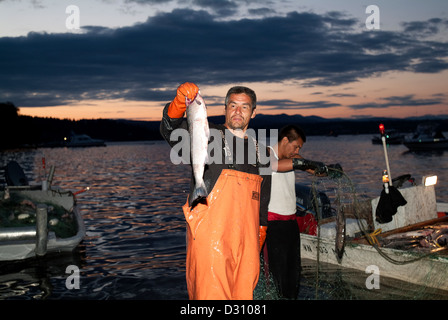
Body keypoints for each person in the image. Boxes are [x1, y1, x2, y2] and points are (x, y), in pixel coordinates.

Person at [160, 82, 271, 300]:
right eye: (233, 105)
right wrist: (177, 105)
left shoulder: (262, 152)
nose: (237, 111)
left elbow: (263, 196)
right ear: (225, 108)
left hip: (247, 241)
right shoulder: (206, 136)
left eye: (244, 107)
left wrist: (262, 228)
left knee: (244, 296)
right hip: (210, 236)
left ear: (254, 113)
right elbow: (169, 129)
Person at [265, 124, 341, 299]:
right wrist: (301, 162)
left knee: (293, 275)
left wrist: (330, 170)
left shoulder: (294, 158)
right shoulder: (266, 153)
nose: (297, 151)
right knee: (277, 278)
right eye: (296, 146)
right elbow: (278, 165)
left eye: (299, 148)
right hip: (272, 226)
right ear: (285, 140)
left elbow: (311, 169)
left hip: (292, 224)